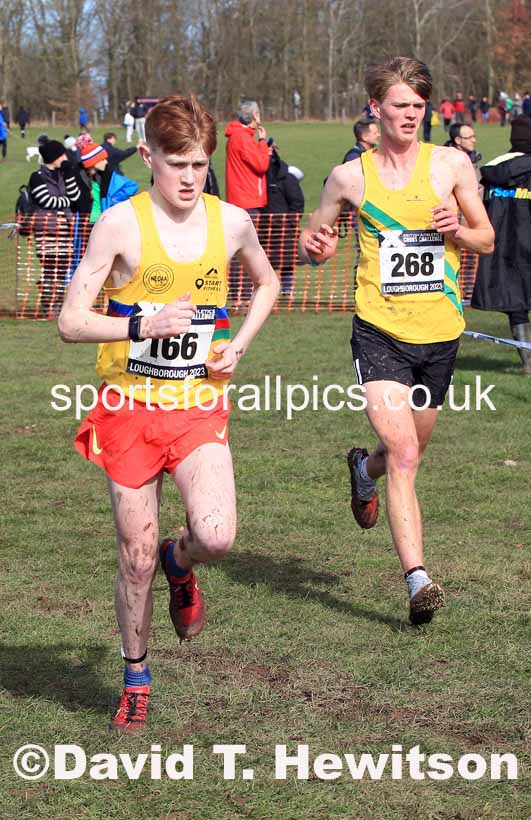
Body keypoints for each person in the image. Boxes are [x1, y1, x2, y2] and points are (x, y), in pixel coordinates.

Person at [58, 95, 279, 732]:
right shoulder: (119, 225)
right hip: (129, 409)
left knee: (216, 536)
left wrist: (239, 344)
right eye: (177, 164)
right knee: (135, 556)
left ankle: (180, 563)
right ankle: (136, 675)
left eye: (200, 165)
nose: (189, 177)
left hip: (197, 406)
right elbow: (70, 321)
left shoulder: (231, 222)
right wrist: (141, 326)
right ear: (148, 156)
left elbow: (266, 282)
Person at [299, 57, 494, 625]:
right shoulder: (349, 177)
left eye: (418, 105)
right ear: (375, 108)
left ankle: (364, 469)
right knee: (405, 455)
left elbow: (486, 238)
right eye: (400, 105)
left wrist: (457, 230)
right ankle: (418, 580)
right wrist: (317, 248)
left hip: (440, 335)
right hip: (379, 332)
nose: (410, 114)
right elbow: (315, 239)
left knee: (406, 453)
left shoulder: (451, 164)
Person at [472, 115, 531, 374]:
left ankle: (529, 364)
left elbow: (480, 208)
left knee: (516, 305)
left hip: (505, 250)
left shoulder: (493, 171)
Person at [28, 140, 84, 316]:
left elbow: (76, 196)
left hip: (65, 230)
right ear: (54, 157)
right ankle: (48, 306)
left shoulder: (64, 174)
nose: (65, 157)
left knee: (62, 270)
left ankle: (58, 306)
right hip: (46, 230)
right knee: (49, 268)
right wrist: (68, 202)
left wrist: (69, 175)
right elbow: (46, 201)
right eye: (62, 155)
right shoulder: (37, 177)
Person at [263, 140, 305, 295]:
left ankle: (287, 289)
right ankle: (267, 289)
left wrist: (291, 222)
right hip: (264, 227)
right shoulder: (257, 178)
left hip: (284, 228)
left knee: (287, 260)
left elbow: (297, 201)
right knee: (264, 261)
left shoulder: (286, 177)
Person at [225, 100, 270, 211]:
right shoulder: (243, 138)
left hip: (240, 198)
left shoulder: (238, 135)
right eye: (258, 113)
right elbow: (261, 165)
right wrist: (262, 142)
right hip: (247, 200)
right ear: (254, 116)